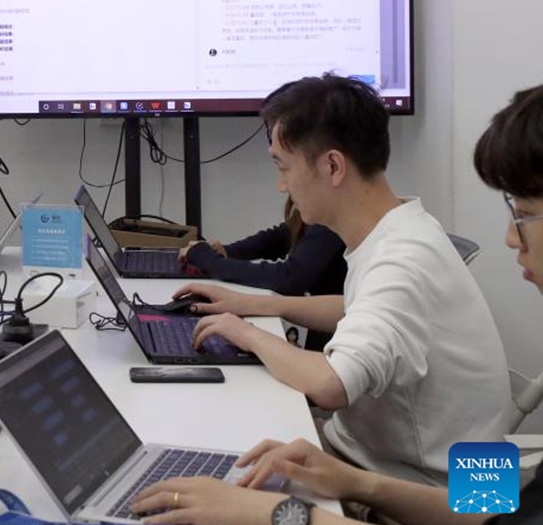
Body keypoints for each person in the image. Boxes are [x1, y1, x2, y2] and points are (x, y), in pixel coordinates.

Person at [130, 84, 543, 525]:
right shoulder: (404, 229)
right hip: (399, 476)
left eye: (283, 167)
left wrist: (280, 513)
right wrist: (256, 306)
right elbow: (359, 307)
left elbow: (331, 384)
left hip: (424, 489)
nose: (281, 184)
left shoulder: (402, 259)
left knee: (195, 474)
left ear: (332, 166)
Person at [180, 195, 346, 350]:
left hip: (338, 340)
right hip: (327, 330)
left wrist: (212, 262)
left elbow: (290, 277)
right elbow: (285, 235)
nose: (282, 185)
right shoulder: (326, 208)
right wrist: (227, 252)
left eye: (285, 168)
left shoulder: (338, 211)